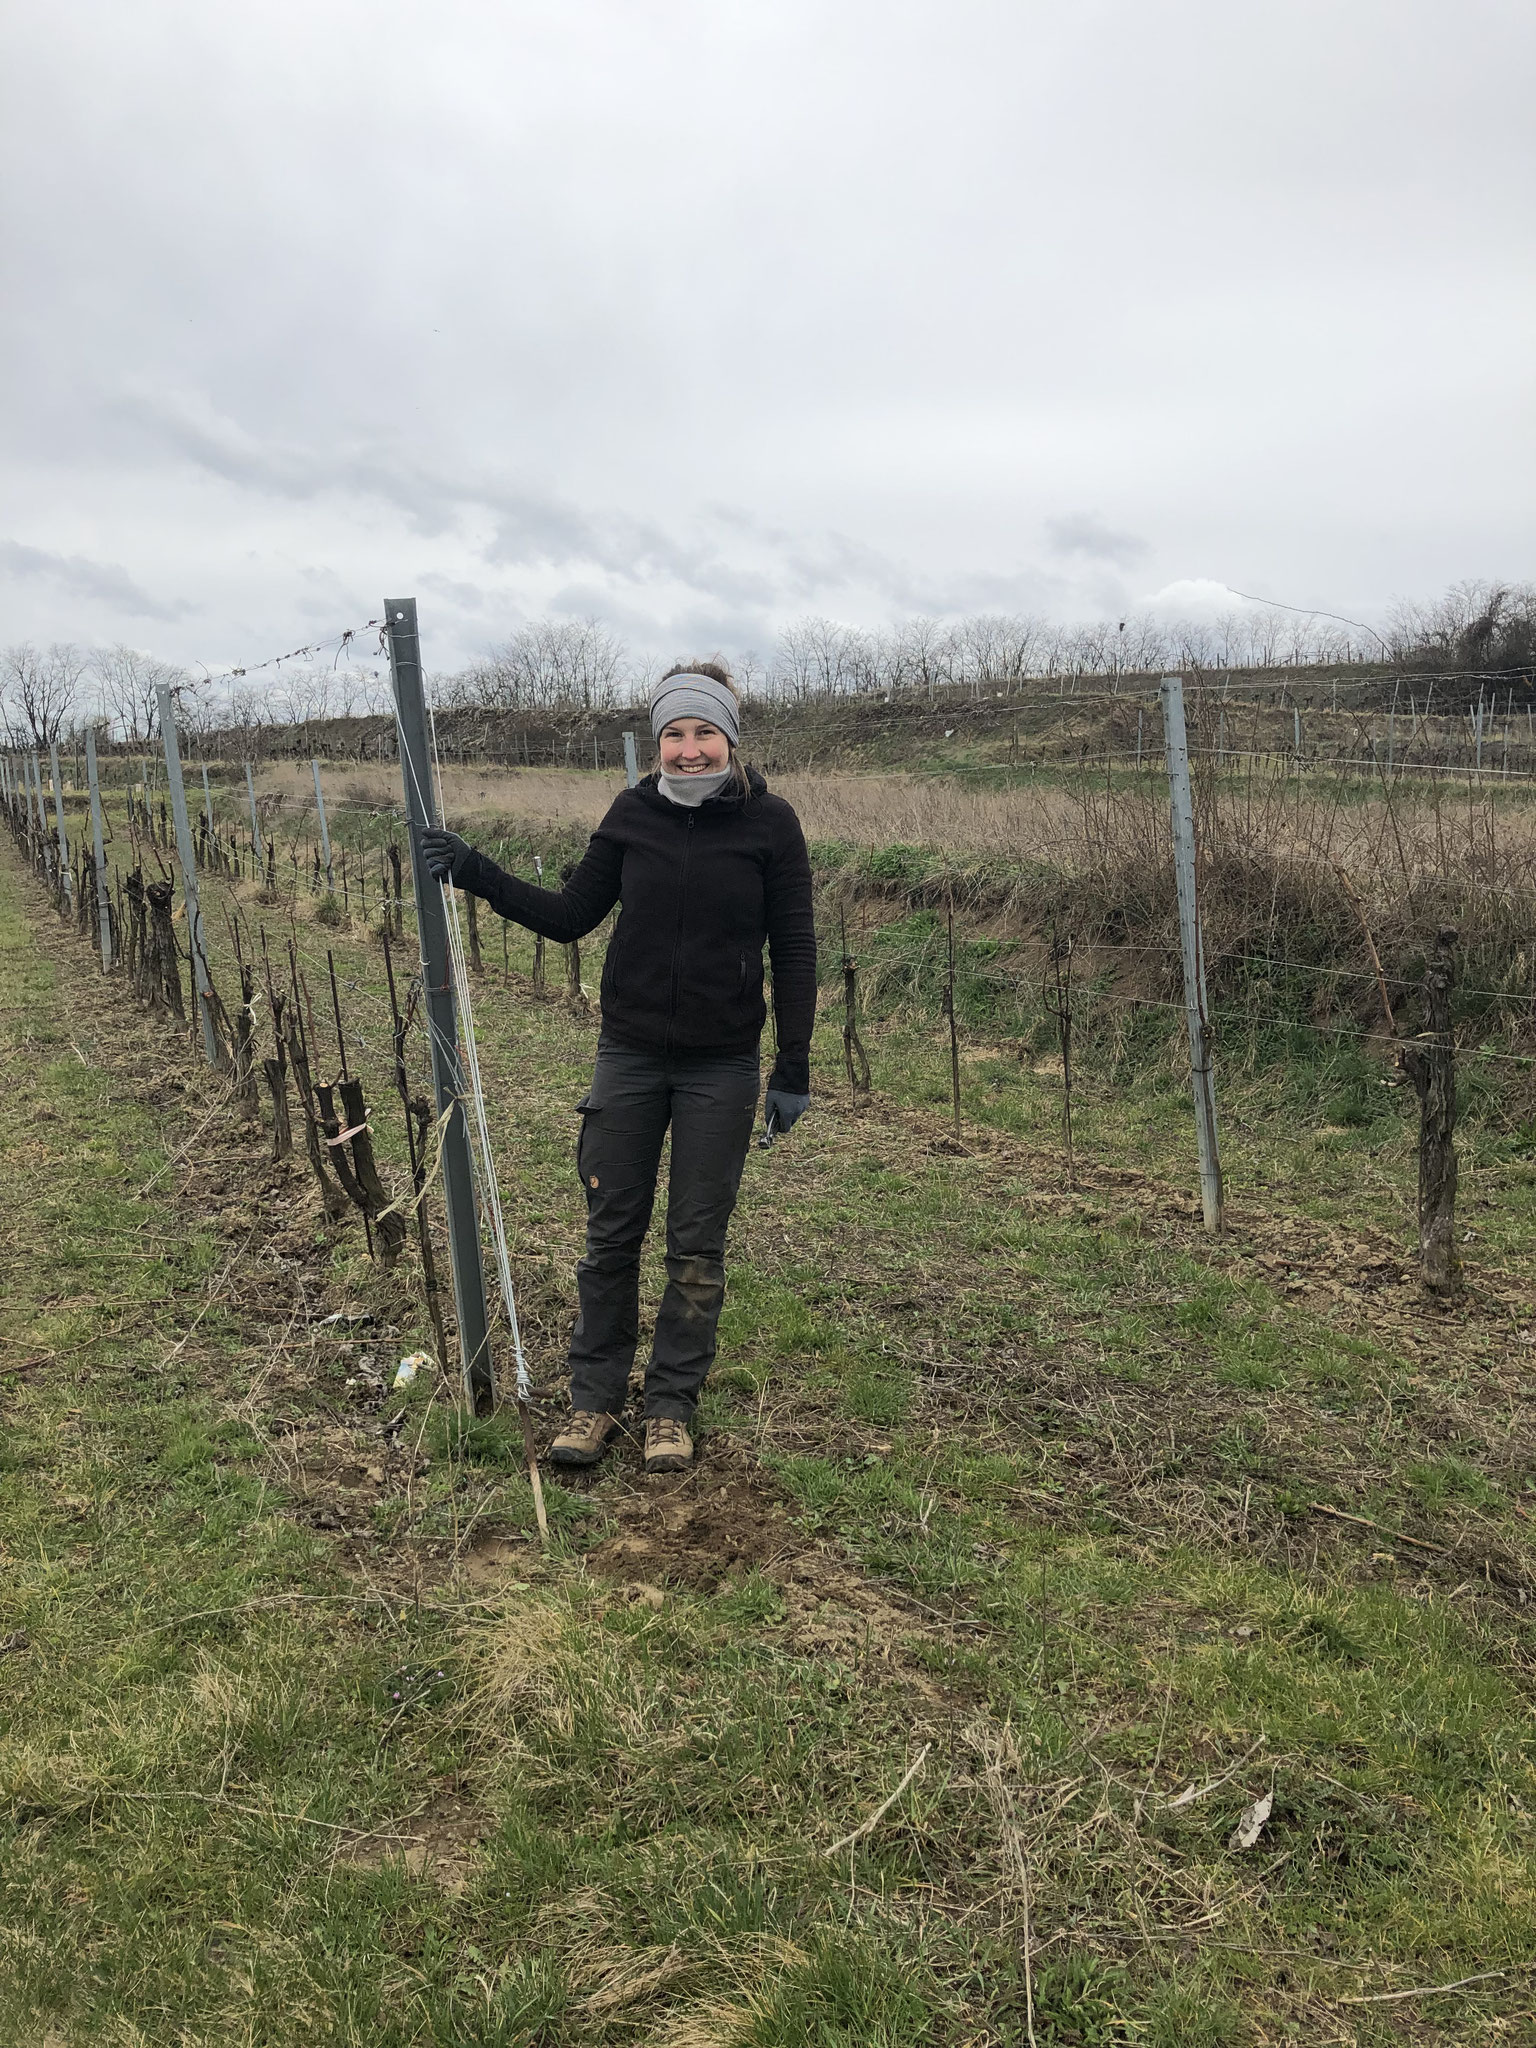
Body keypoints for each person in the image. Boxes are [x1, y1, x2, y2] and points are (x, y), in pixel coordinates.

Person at [419, 664, 816, 1475]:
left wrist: (793, 1068)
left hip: (723, 1067)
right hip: (629, 1056)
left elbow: (797, 949)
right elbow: (570, 918)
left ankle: (671, 1406)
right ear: (657, 742)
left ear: (731, 740)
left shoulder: (771, 825)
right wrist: (476, 871)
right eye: (675, 733)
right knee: (610, 1239)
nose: (689, 748)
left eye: (705, 733)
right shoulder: (631, 814)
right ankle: (594, 1398)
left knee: (696, 1247)